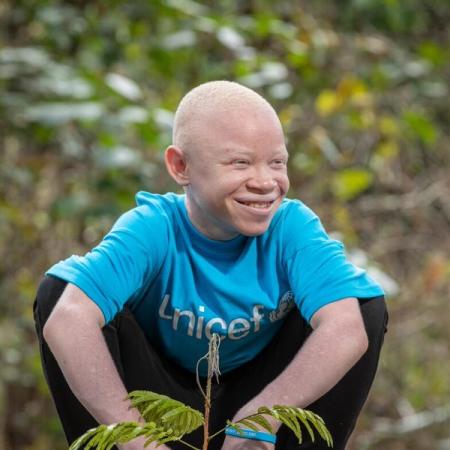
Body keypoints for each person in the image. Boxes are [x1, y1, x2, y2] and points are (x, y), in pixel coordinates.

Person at [34, 81, 388, 450]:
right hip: (160, 405)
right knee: (59, 292)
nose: (266, 182)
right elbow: (67, 320)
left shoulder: (292, 227)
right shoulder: (154, 228)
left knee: (360, 305)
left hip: (258, 405)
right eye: (240, 162)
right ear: (181, 166)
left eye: (277, 162)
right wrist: (138, 439)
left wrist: (262, 415)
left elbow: (347, 330)